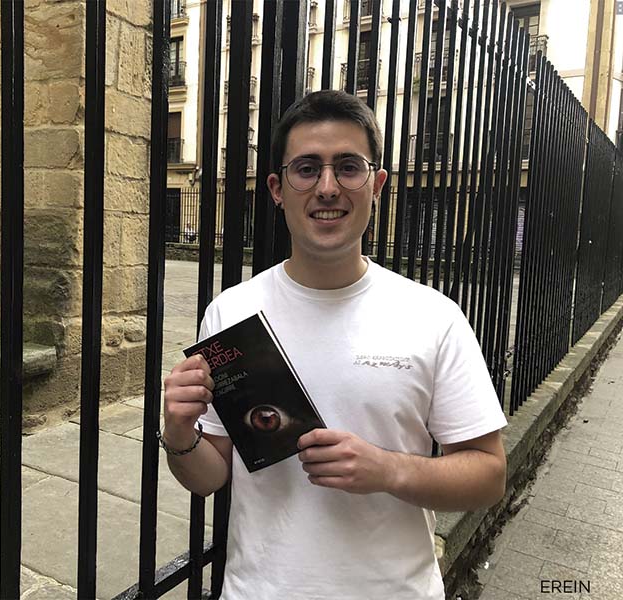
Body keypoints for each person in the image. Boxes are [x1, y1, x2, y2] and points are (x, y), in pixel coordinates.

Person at [160, 90, 508, 600]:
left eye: (348, 167)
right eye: (307, 169)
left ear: (377, 185)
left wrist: (388, 469)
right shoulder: (231, 312)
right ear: (277, 189)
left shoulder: (434, 316)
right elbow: (209, 475)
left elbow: (489, 475)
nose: (327, 188)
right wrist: (177, 432)